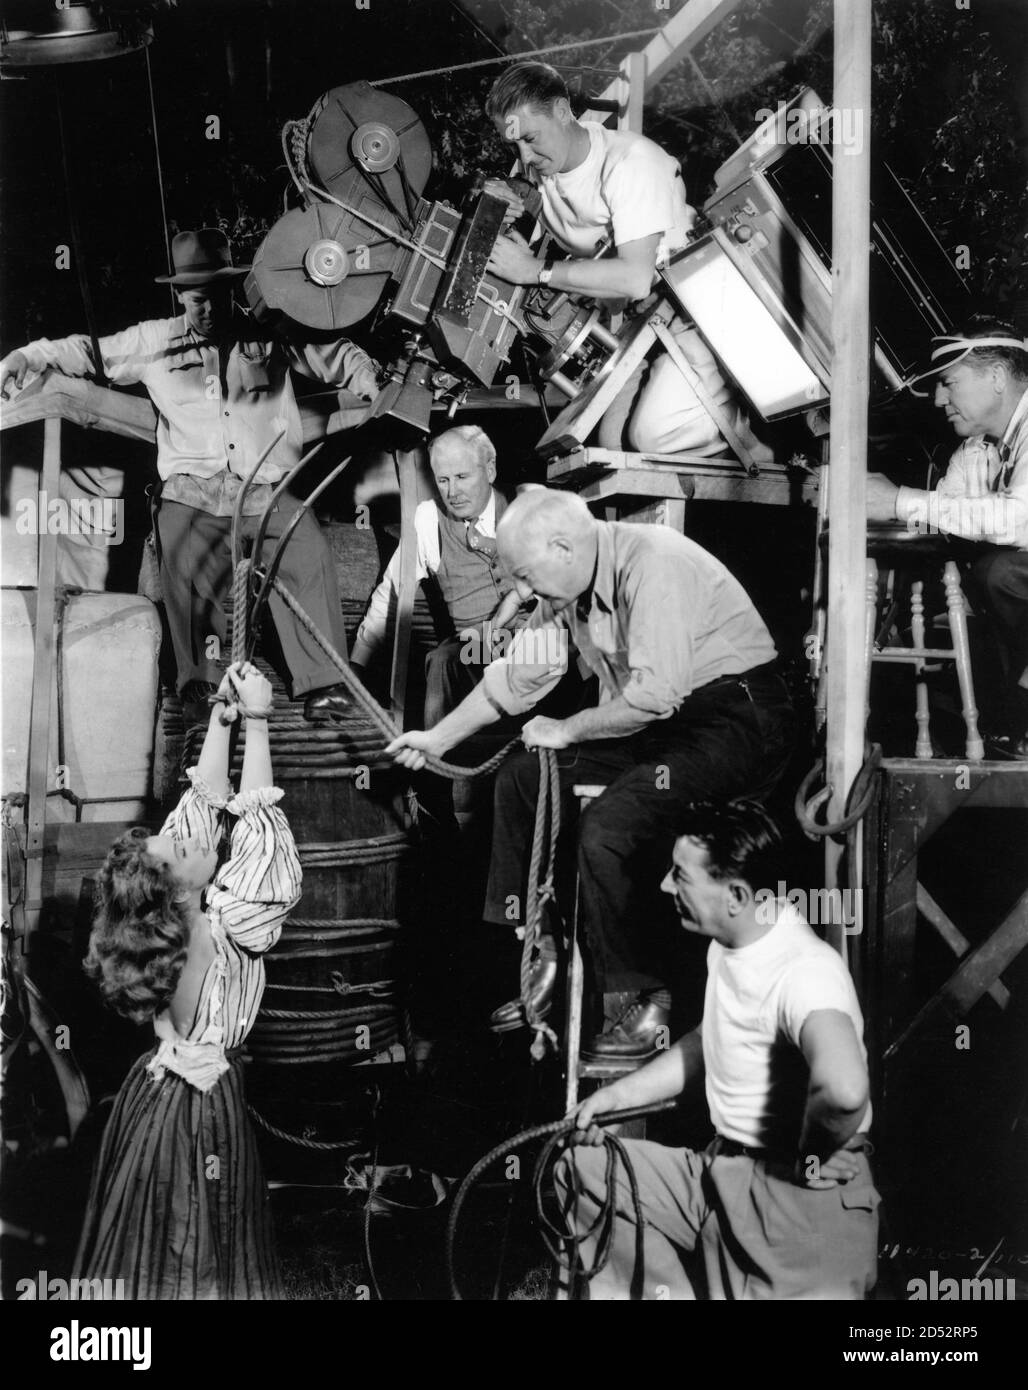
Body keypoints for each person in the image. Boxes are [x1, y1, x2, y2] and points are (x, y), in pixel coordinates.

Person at [386, 488, 795, 1057]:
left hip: (738, 720)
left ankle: (643, 1002)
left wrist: (568, 727)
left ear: (561, 545)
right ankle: (543, 947)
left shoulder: (654, 564)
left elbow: (654, 698)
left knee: (608, 826)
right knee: (522, 779)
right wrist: (436, 739)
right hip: (667, 723)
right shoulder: (566, 589)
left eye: (526, 578)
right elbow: (513, 680)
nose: (524, 595)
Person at [0, 228, 381, 723]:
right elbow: (87, 351)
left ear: (231, 291)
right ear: (181, 296)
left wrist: (369, 379)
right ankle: (202, 679)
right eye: (197, 300)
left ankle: (322, 682)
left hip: (265, 488)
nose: (207, 310)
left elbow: (334, 354)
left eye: (217, 297)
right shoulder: (154, 341)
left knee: (306, 549)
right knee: (180, 552)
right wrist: (25, 356)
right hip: (191, 490)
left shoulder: (270, 333)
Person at [556, 801, 879, 1301]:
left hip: (795, 1207)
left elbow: (845, 1087)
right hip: (720, 1174)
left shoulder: (806, 971)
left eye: (680, 876)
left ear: (735, 895)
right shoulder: (736, 939)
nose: (666, 886)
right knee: (580, 1171)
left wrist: (812, 1156)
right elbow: (714, 1040)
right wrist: (617, 1098)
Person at [73, 661, 301, 1299]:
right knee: (197, 1243)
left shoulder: (170, 928)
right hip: (203, 1113)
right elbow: (260, 848)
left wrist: (218, 726)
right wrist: (257, 724)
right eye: (181, 852)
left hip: (157, 1095)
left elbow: (196, 814)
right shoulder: (215, 930)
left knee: (150, 1240)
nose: (190, 839)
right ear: (184, 890)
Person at [483, 61, 761, 457]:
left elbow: (634, 278)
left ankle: (756, 434)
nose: (525, 156)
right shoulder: (546, 168)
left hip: (693, 312)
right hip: (636, 326)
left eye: (530, 138)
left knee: (650, 437)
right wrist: (503, 195)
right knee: (607, 447)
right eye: (514, 146)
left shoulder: (630, 161)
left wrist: (535, 272)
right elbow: (525, 192)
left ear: (563, 111)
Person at [866, 316, 1028, 756]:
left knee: (1001, 572)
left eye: (948, 383)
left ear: (996, 376)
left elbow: (1019, 522)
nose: (938, 399)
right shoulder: (974, 452)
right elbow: (943, 515)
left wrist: (899, 500)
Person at [350, 425, 523, 725]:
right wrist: (357, 665)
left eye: (462, 477)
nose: (452, 492)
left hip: (534, 636)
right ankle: (441, 761)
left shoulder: (523, 506)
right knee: (443, 661)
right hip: (475, 649)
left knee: (562, 654)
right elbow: (393, 590)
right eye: (443, 480)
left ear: (490, 470)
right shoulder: (429, 519)